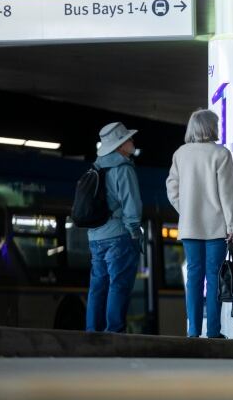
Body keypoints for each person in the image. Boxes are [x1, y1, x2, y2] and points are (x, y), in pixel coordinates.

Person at [166, 110, 233, 338]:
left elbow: (172, 189)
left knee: (194, 278)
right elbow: (227, 194)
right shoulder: (221, 154)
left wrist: (185, 210)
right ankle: (214, 331)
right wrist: (232, 225)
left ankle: (193, 331)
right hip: (216, 228)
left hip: (190, 227)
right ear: (211, 127)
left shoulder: (180, 154)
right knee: (214, 278)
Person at [86, 122, 143, 333]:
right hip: (118, 236)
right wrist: (134, 233)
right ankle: (113, 335)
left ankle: (92, 334)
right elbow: (132, 207)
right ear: (120, 146)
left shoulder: (97, 167)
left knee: (98, 287)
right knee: (118, 285)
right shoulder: (123, 169)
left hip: (95, 237)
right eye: (128, 139)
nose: (132, 141)